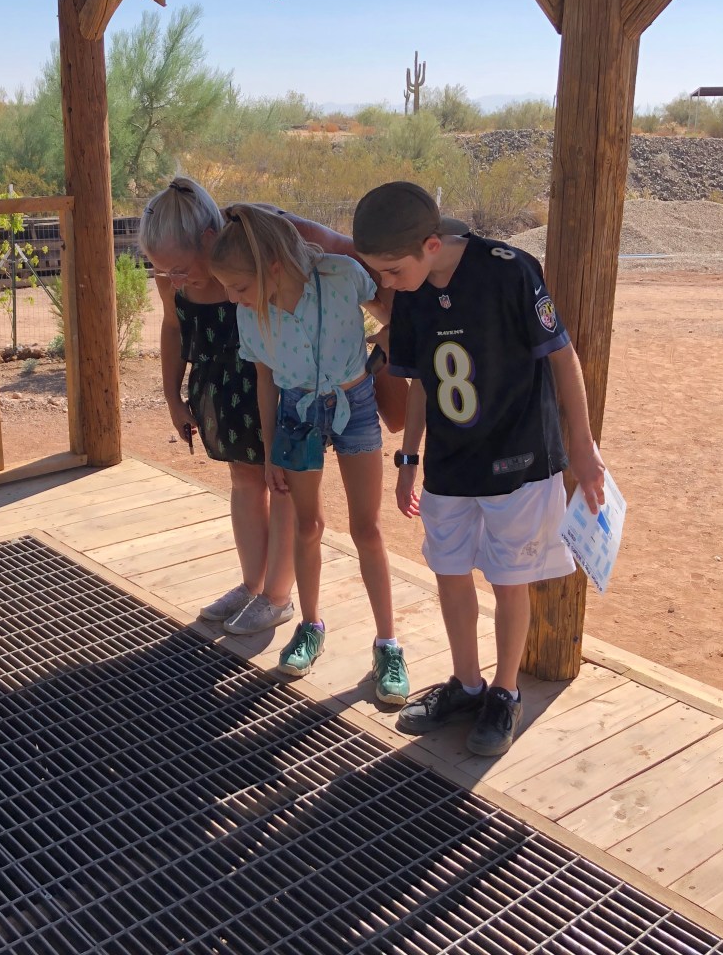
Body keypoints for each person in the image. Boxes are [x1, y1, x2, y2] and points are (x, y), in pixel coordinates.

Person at [352, 181, 607, 755]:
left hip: (518, 459)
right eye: (380, 275)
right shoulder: (411, 292)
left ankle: (506, 692)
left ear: (431, 244)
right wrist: (408, 458)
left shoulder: (510, 270)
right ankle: (466, 684)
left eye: (393, 271)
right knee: (448, 569)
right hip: (450, 462)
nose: (387, 285)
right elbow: (416, 382)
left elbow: (563, 357)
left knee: (508, 577)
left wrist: (584, 448)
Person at [139, 178, 407, 637]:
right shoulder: (177, 277)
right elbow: (174, 327)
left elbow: (360, 264)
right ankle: (252, 585)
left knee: (285, 485)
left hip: (290, 385)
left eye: (179, 269)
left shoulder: (268, 237)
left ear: (210, 239)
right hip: (226, 384)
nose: (173, 281)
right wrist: (171, 394)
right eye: (164, 273)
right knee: (244, 478)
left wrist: (394, 337)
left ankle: (279, 596)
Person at [208, 203, 409, 704]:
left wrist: (391, 336)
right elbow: (264, 380)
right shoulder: (249, 315)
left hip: (356, 401)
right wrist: (272, 447)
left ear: (271, 267)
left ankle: (388, 644)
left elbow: (388, 309)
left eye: (237, 286)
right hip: (296, 414)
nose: (231, 297)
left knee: (368, 528)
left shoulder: (341, 276)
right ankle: (310, 625)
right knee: (307, 526)